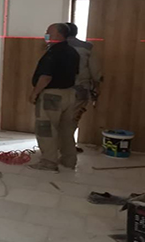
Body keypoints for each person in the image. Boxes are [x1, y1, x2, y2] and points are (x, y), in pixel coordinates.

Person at [28, 23, 80, 173]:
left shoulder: (54, 52)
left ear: (59, 34)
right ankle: (69, 161)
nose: (46, 34)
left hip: (52, 96)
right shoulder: (72, 52)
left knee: (46, 128)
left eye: (49, 32)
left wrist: (34, 93)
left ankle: (49, 162)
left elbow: (46, 77)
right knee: (66, 129)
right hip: (69, 95)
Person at [65, 22, 102, 119]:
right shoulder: (87, 47)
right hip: (80, 87)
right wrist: (97, 87)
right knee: (72, 119)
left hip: (57, 90)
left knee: (56, 120)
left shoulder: (54, 47)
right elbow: (95, 70)